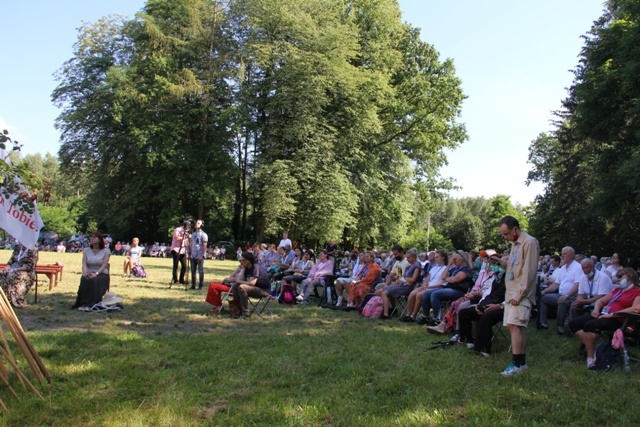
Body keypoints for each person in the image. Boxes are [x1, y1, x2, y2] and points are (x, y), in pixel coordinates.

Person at [569, 267, 640, 368]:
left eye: (621, 277)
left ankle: (590, 357)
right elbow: (601, 301)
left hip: (619, 320)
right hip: (603, 314)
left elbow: (636, 309)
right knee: (574, 324)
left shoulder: (637, 291)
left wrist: (612, 314)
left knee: (589, 325)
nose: (619, 280)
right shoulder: (618, 291)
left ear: (630, 276)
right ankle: (593, 349)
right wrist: (596, 309)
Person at [495, 215, 539, 376]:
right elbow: (513, 268)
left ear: (515, 228)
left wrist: (519, 295)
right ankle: (520, 362)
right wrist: (499, 261)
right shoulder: (515, 244)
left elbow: (529, 272)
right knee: (515, 326)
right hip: (511, 291)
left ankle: (517, 363)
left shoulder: (529, 242)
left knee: (515, 325)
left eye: (506, 234)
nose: (505, 238)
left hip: (520, 293)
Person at [417, 250, 473, 325]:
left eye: (455, 259)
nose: (454, 261)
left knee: (435, 294)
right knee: (427, 293)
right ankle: (425, 316)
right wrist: (449, 264)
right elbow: (443, 277)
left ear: (461, 259)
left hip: (458, 291)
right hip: (448, 288)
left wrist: (447, 278)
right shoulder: (454, 269)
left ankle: (437, 318)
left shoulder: (466, 269)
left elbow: (454, 280)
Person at [539, 246, 582, 334]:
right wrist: (545, 291)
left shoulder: (578, 267)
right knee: (543, 297)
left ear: (571, 255)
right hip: (561, 294)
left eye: (565, 254)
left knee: (562, 301)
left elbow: (577, 285)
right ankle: (543, 324)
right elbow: (556, 284)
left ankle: (560, 328)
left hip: (573, 296)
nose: (562, 256)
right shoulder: (562, 268)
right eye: (562, 254)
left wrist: (567, 296)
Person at [401, 250, 448, 322]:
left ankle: (414, 315)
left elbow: (442, 283)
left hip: (436, 288)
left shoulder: (445, 268)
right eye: (435, 257)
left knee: (419, 295)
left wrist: (427, 287)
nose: (436, 259)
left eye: (437, 257)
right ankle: (408, 314)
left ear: (443, 258)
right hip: (427, 286)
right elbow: (427, 279)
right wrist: (424, 285)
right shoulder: (434, 268)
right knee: (412, 293)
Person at [378, 248, 421, 319]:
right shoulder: (402, 264)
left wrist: (405, 279)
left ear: (413, 257)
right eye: (407, 257)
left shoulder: (415, 266)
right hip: (401, 284)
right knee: (380, 291)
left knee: (383, 292)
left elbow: (412, 280)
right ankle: (391, 310)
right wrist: (403, 279)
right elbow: (397, 275)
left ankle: (386, 314)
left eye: (409, 257)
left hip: (406, 287)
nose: (407, 259)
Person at [72, 231, 111, 311]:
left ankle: (92, 304)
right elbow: (84, 263)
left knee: (94, 280)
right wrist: (84, 273)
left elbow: (104, 265)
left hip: (101, 273)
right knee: (84, 279)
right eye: (91, 237)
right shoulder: (86, 250)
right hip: (89, 272)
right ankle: (83, 303)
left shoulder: (106, 251)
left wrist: (96, 273)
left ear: (100, 239)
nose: (91, 239)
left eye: (94, 237)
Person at [231, 252, 272, 319]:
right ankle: (238, 309)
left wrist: (239, 281)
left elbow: (251, 283)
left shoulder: (255, 267)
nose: (241, 262)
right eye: (240, 260)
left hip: (264, 290)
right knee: (235, 285)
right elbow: (240, 280)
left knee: (242, 287)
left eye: (243, 260)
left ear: (249, 260)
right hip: (254, 288)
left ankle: (245, 312)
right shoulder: (246, 268)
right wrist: (243, 269)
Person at [0, 244, 38, 308]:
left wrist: (15, 269)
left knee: (12, 276)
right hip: (13, 268)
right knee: (2, 274)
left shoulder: (33, 250)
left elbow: (30, 266)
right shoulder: (18, 247)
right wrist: (8, 267)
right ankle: (3, 299)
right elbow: (11, 260)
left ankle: (15, 300)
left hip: (25, 271)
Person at [170, 217, 191, 285]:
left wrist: (188, 242)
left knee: (184, 266)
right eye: (187, 226)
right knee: (175, 266)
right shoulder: (177, 230)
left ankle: (181, 279)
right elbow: (177, 238)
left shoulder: (187, 232)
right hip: (176, 249)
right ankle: (175, 280)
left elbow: (186, 242)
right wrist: (186, 236)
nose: (188, 227)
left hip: (183, 250)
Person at [189, 219, 208, 290]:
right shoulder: (193, 234)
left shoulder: (204, 235)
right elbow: (191, 244)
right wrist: (190, 253)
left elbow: (204, 246)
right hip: (193, 255)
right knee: (193, 271)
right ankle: (193, 285)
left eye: (198, 223)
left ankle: (200, 285)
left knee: (200, 271)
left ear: (201, 225)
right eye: (196, 223)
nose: (196, 224)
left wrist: (201, 255)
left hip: (199, 255)